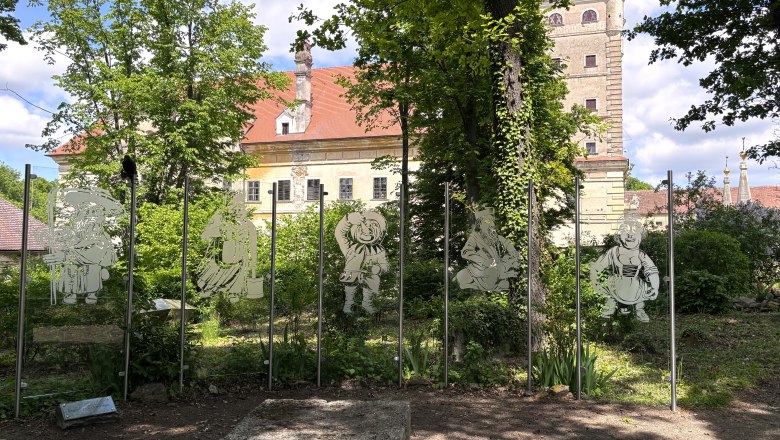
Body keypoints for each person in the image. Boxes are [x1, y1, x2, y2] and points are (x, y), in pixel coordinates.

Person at [43, 188, 122, 305]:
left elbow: (96, 255)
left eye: (95, 213)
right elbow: (67, 245)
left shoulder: (102, 237)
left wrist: (66, 256)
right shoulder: (74, 233)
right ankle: (70, 293)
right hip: (73, 266)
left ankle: (92, 293)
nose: (91, 218)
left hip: (93, 267)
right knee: (71, 268)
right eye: (87, 213)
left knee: (92, 268)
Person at [590, 218, 659, 322]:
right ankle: (610, 307)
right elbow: (597, 266)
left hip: (636, 287)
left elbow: (652, 270)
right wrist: (594, 281)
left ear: (640, 237)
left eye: (634, 232)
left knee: (645, 290)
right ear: (619, 236)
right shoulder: (614, 252)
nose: (630, 235)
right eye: (625, 232)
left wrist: (655, 287)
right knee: (611, 296)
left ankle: (639, 309)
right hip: (616, 285)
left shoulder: (641, 254)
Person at [197, 193, 258, 302]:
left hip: (240, 256)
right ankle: (211, 288)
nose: (238, 212)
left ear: (244, 210)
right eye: (235, 209)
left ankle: (234, 292)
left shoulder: (249, 226)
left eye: (240, 209)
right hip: (224, 253)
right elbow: (205, 235)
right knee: (218, 268)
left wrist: (254, 264)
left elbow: (253, 246)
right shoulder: (224, 224)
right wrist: (219, 231)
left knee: (238, 271)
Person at [335, 211, 389, 314]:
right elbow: (339, 233)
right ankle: (348, 305)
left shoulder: (379, 250)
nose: (366, 231)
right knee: (350, 289)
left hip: (369, 275)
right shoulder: (350, 248)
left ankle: (367, 304)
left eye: (372, 228)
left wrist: (378, 268)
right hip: (351, 275)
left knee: (372, 282)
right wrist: (347, 219)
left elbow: (385, 265)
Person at [456, 208, 519, 292]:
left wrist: (511, 248)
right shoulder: (475, 237)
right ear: (480, 224)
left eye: (492, 221)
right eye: (488, 221)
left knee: (506, 280)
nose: (492, 224)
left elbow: (505, 241)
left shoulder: (494, 236)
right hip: (482, 268)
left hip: (497, 265)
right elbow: (466, 251)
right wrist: (483, 261)